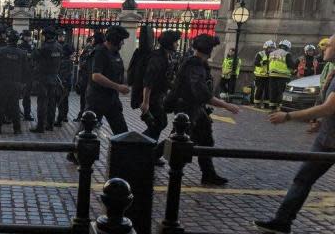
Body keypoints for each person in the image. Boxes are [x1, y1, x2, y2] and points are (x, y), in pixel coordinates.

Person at [255, 35, 335, 234]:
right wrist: (322, 123)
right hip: (327, 137)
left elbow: (328, 108)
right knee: (303, 178)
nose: (324, 48)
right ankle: (282, 220)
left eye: (329, 45)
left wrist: (288, 116)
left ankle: (283, 220)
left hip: (330, 140)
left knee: (303, 179)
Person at [167, 34, 240, 185]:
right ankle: (148, 160)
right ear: (208, 50)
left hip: (196, 109)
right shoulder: (195, 66)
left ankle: (208, 174)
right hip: (188, 109)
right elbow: (202, 94)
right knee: (177, 139)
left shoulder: (198, 64)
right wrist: (227, 106)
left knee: (205, 139)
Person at [140, 30, 181, 165]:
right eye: (175, 42)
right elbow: (148, 80)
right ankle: (139, 146)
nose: (177, 44)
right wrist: (145, 102)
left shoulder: (167, 56)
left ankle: (151, 152)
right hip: (153, 97)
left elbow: (166, 78)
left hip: (160, 96)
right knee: (157, 124)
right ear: (169, 43)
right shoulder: (157, 58)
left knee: (159, 124)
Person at [85, 25, 130, 135]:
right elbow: (96, 76)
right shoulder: (100, 52)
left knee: (122, 132)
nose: (122, 43)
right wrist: (118, 87)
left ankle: (121, 152)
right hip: (97, 99)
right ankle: (73, 151)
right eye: (121, 41)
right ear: (115, 40)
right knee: (86, 130)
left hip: (112, 99)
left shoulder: (115, 53)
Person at [0, 30, 28, 134]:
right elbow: (26, 70)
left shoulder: (2, 51)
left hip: (3, 83)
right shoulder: (22, 53)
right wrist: (23, 84)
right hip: (16, 84)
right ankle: (17, 129)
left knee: (0, 106)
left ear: (8, 39)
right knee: (15, 106)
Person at [30, 27, 63, 133]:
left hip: (43, 78)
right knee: (51, 103)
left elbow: (34, 57)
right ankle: (50, 125)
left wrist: (37, 46)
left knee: (42, 102)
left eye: (43, 35)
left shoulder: (44, 47)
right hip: (54, 78)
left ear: (47, 36)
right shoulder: (59, 47)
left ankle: (40, 126)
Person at [73, 32, 104, 121]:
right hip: (87, 79)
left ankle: (93, 118)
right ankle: (84, 116)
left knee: (90, 101)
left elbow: (85, 64)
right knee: (85, 99)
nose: (91, 41)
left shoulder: (97, 51)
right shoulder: (92, 50)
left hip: (90, 80)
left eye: (92, 39)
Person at [267, 40, 295, 110]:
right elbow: (291, 65)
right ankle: (280, 107)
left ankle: (272, 106)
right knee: (281, 92)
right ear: (288, 47)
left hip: (272, 75)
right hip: (283, 76)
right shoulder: (286, 54)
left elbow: (268, 64)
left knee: (273, 91)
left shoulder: (272, 53)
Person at [56, 29, 75, 126]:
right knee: (61, 99)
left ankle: (62, 117)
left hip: (63, 82)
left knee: (63, 100)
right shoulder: (57, 45)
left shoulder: (67, 47)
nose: (61, 37)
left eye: (62, 36)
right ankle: (61, 116)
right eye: (60, 36)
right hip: (63, 81)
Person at [18, 30, 35, 121]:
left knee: (27, 96)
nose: (28, 38)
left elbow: (34, 56)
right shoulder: (20, 45)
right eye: (27, 36)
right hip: (21, 74)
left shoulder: (32, 46)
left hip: (29, 74)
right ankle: (16, 113)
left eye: (29, 36)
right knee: (17, 95)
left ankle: (27, 114)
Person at [253, 41, 275, 108]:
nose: (271, 49)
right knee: (259, 89)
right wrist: (263, 62)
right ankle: (257, 103)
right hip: (260, 75)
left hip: (269, 75)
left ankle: (266, 104)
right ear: (266, 47)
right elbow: (256, 63)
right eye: (270, 48)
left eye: (272, 48)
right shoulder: (260, 54)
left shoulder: (273, 55)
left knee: (268, 90)